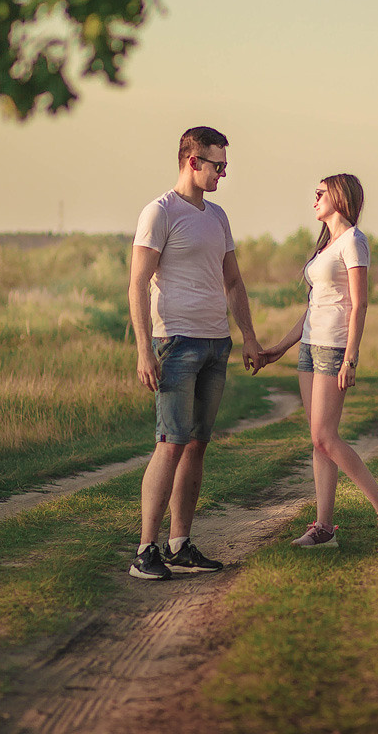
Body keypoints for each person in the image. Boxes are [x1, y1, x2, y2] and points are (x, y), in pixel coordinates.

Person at [127, 126, 263, 581]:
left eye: (225, 166)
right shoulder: (159, 212)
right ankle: (145, 551)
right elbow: (137, 284)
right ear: (192, 161)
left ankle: (180, 544)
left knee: (197, 446)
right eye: (217, 165)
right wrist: (145, 351)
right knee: (170, 443)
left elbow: (233, 282)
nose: (223, 173)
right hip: (176, 344)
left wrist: (248, 335)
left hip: (215, 344)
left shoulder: (218, 215)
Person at [260, 174, 378, 551]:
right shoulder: (327, 246)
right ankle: (324, 529)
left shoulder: (354, 241)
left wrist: (351, 358)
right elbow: (313, 309)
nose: (314, 200)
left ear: (338, 197)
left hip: (333, 349)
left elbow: (360, 304)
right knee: (318, 441)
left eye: (320, 193)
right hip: (309, 347)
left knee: (326, 437)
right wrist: (279, 348)